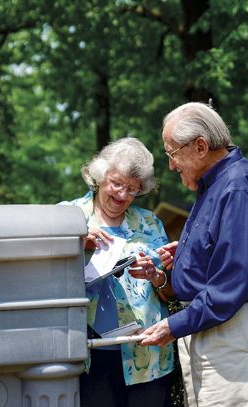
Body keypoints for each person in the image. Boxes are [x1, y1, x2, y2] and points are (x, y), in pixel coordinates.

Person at [138, 102, 248, 406]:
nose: (171, 165)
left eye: (172, 153)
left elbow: (233, 279)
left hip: (234, 326)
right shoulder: (218, 184)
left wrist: (173, 325)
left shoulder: (235, 185)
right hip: (220, 325)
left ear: (201, 147)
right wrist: (191, 252)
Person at [59, 137, 174, 407]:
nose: (123, 195)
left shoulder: (150, 223)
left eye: (133, 189)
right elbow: (42, 272)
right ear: (99, 177)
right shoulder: (67, 216)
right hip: (86, 353)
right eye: (117, 183)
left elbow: (170, 292)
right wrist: (77, 243)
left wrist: (156, 277)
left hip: (146, 354)